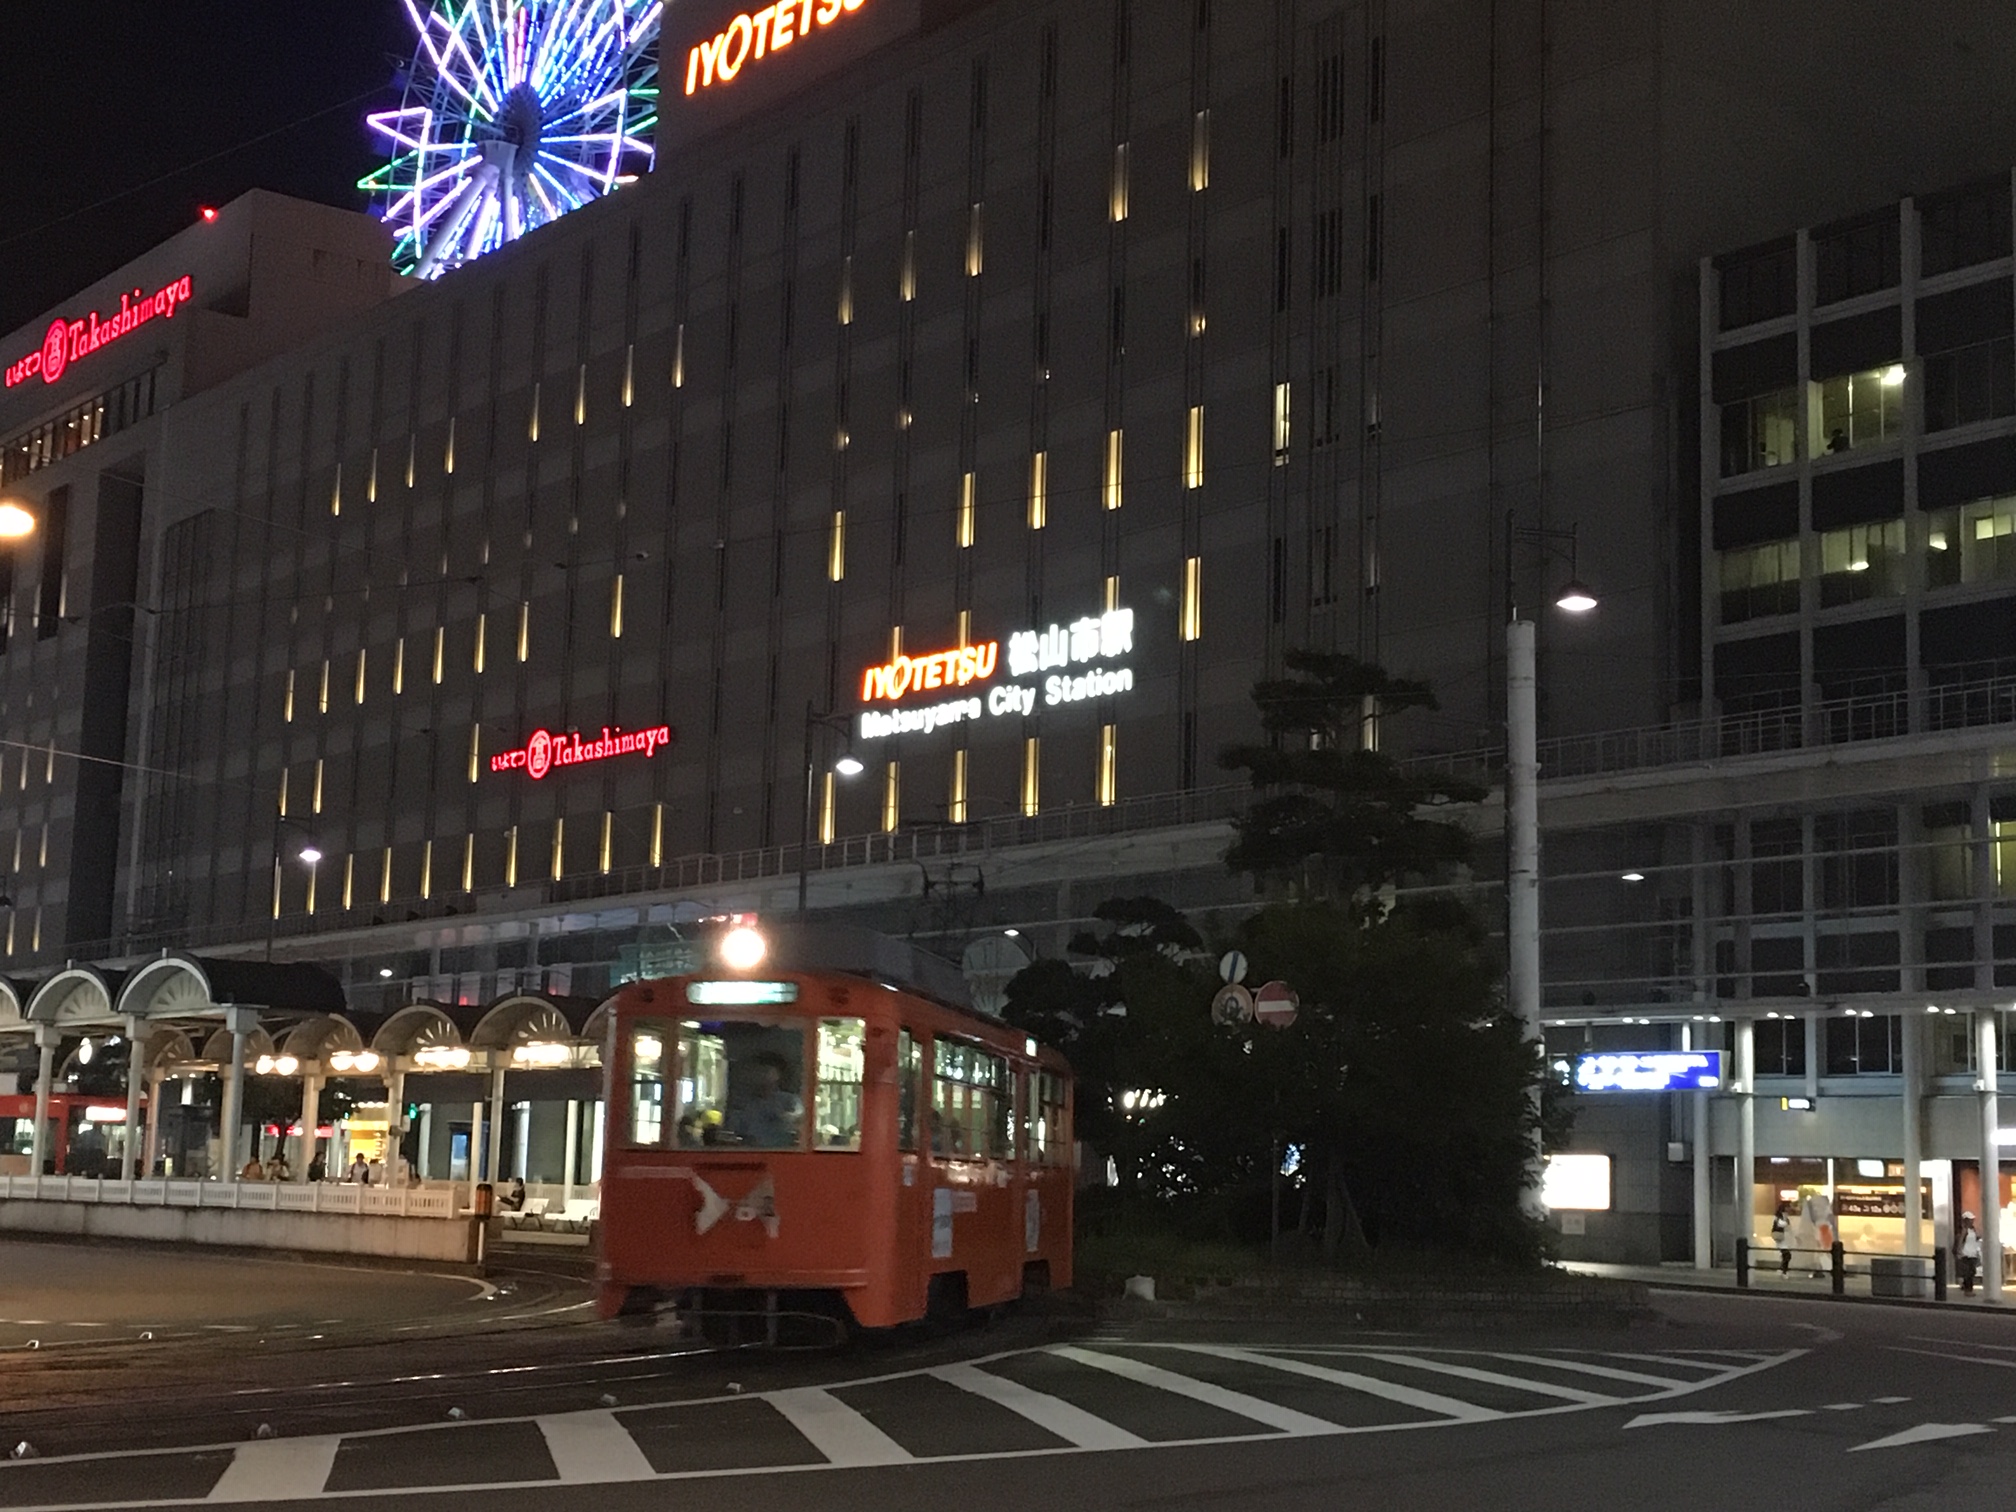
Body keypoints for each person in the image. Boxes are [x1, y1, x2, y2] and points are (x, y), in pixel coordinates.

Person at [724, 1052, 802, 1148]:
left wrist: (784, 1117)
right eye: (756, 1070)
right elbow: (734, 1131)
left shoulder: (790, 1101)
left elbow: (798, 1123)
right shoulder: (745, 1104)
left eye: (766, 1070)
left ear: (777, 1075)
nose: (760, 1074)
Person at [1958, 1210, 1983, 1295]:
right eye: (1970, 1220)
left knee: (1972, 1271)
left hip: (1973, 1253)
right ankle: (1968, 1290)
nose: (1972, 1221)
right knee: (1968, 1272)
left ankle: (1965, 1286)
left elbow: (1974, 1241)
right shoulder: (1964, 1230)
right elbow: (1961, 1240)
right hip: (1966, 1253)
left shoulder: (1973, 1230)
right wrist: (1959, 1251)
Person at [1771, 1201, 1794, 1274]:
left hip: (1784, 1238)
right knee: (1787, 1255)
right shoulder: (1780, 1216)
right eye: (1789, 1206)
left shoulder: (1783, 1216)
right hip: (1781, 1238)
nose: (1790, 1208)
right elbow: (1780, 1224)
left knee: (1786, 1255)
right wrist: (1786, 1223)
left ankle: (1782, 1270)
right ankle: (1783, 1270)